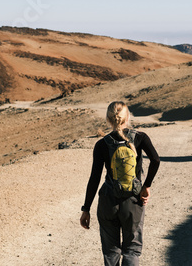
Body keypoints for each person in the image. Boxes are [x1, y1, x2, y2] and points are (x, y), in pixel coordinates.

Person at [80, 101, 160, 266]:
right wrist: (146, 186)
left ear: (108, 119)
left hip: (108, 202)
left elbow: (94, 178)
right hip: (133, 202)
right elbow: (156, 160)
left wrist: (86, 209)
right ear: (127, 116)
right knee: (132, 250)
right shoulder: (140, 137)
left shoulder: (102, 144)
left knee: (111, 253)